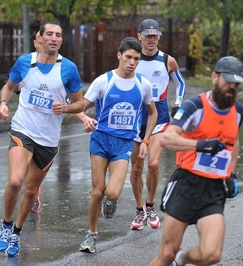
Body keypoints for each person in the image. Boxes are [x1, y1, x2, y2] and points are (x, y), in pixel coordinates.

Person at [0, 21, 84, 257]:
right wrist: (3, 103)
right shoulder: (26, 62)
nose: (54, 38)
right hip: (22, 130)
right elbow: (9, 86)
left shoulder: (69, 69)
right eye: (50, 34)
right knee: (15, 181)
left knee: (31, 191)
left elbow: (80, 102)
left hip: (48, 140)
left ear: (61, 41)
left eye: (58, 35)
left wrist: (67, 109)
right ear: (40, 38)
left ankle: (17, 231)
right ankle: (5, 225)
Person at [149, 56, 243, 266]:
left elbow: (234, 141)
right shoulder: (195, 106)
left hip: (213, 190)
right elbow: (167, 138)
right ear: (214, 78)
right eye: (228, 81)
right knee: (165, 254)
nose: (232, 87)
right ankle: (173, 256)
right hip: (186, 184)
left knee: (212, 255)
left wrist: (230, 173)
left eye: (236, 84)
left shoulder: (238, 111)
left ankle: (182, 258)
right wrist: (199, 145)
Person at [75, 37, 158, 253]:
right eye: (128, 57)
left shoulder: (143, 84)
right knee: (97, 191)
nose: (132, 62)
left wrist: (146, 140)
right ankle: (91, 235)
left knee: (111, 193)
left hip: (123, 144)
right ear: (119, 55)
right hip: (100, 140)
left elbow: (153, 113)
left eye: (136, 59)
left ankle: (111, 201)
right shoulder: (104, 81)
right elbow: (83, 104)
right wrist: (75, 113)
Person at [129, 18, 186, 231]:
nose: (151, 39)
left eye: (155, 35)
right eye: (148, 35)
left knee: (153, 163)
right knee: (136, 168)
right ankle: (138, 209)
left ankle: (150, 204)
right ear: (140, 36)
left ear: (159, 37)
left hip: (160, 118)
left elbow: (181, 82)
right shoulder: (132, 59)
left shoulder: (167, 60)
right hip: (135, 119)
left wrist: (178, 103)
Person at [10, 31, 44, 213]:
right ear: (36, 42)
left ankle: (33, 193)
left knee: (34, 166)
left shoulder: (57, 65)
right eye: (40, 40)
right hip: (24, 124)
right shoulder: (25, 62)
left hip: (44, 127)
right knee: (21, 165)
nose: (43, 44)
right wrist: (17, 87)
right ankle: (30, 191)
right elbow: (9, 83)